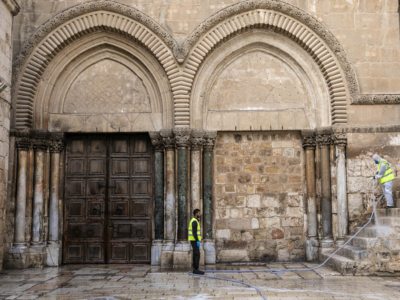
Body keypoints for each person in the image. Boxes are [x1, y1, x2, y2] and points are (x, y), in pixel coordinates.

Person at [189, 209, 204, 275]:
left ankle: (195, 269)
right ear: (196, 214)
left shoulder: (195, 221)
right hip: (194, 240)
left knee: (196, 254)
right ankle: (196, 269)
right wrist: (197, 240)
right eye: (199, 213)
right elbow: (194, 232)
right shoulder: (194, 221)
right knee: (197, 254)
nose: (200, 214)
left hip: (194, 240)